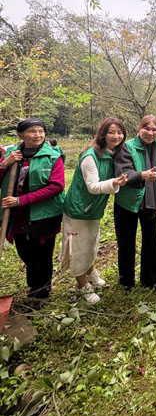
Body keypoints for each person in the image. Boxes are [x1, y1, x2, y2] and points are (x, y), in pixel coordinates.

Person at [61, 117, 128, 303]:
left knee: (91, 243)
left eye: (120, 132)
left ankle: (90, 274)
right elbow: (92, 186)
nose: (116, 136)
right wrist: (115, 182)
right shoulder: (91, 156)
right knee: (79, 248)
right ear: (103, 134)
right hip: (79, 210)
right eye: (111, 132)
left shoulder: (111, 153)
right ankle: (82, 286)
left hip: (93, 209)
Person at [0, 118, 65, 303]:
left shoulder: (52, 156)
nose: (37, 135)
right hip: (17, 216)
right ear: (20, 135)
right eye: (32, 131)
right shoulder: (10, 154)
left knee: (42, 254)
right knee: (25, 251)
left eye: (40, 131)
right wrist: (4, 165)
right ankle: (34, 285)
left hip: (44, 214)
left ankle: (41, 292)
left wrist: (21, 200)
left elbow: (56, 186)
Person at [114, 115, 156, 292]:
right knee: (126, 242)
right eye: (147, 129)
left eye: (154, 130)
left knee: (152, 241)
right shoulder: (126, 147)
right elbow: (123, 172)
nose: (150, 133)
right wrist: (142, 175)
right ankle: (126, 280)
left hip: (152, 201)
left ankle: (152, 279)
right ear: (139, 129)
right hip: (127, 202)